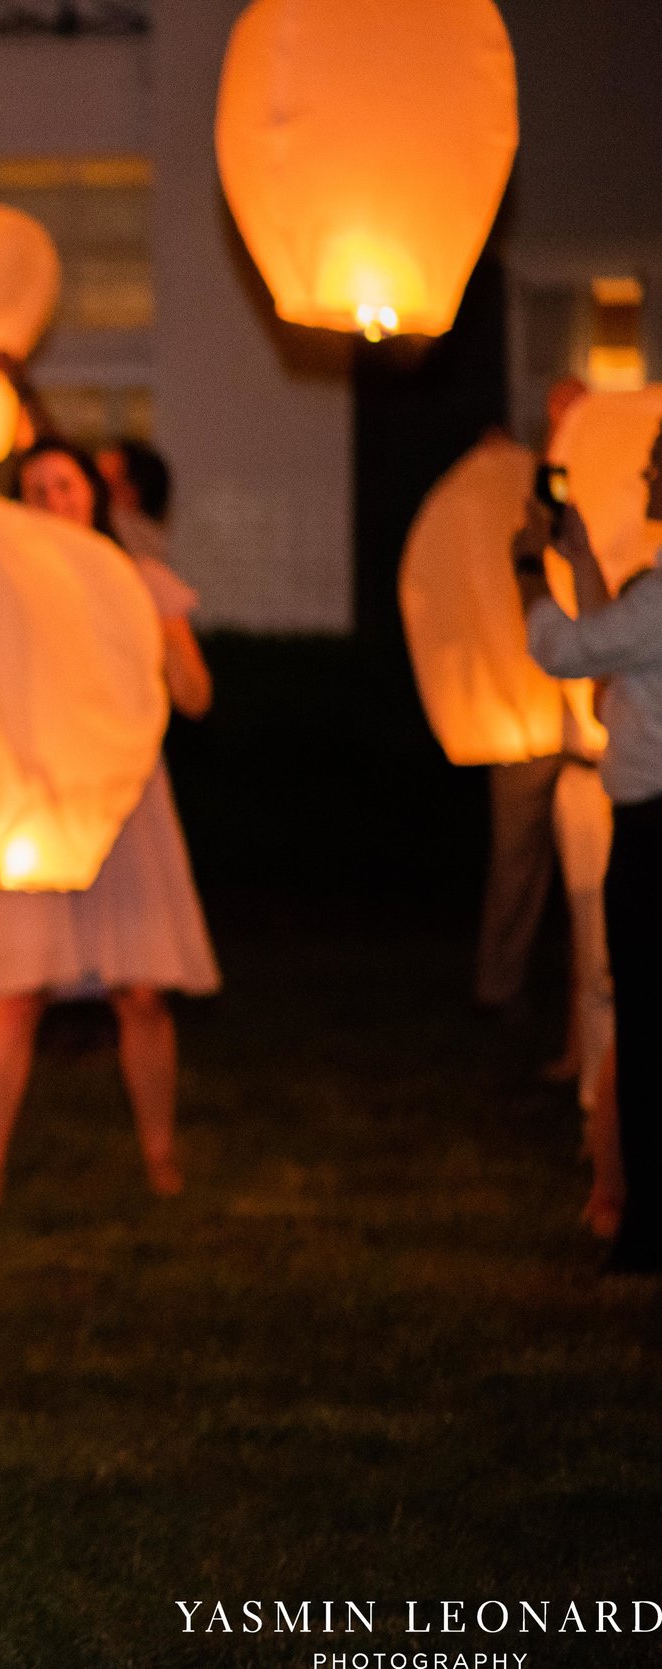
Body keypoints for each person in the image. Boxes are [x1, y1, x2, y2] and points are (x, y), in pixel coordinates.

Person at [0, 439, 219, 1207]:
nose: (52, 500)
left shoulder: (137, 580)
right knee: (18, 992)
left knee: (140, 991)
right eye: (35, 488)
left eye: (65, 485)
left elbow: (197, 696)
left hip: (123, 805)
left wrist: (162, 640)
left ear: (92, 497)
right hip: (32, 805)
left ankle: (161, 1154)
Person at [520, 414, 662, 1274]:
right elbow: (622, 668)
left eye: (655, 466)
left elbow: (569, 651)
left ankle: (644, 1226)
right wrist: (577, 560)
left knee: (644, 1026)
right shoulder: (650, 602)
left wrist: (525, 574)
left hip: (653, 837)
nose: (646, 480)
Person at [478, 378, 592, 1019]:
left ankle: (585, 1014)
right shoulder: (548, 488)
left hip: (590, 710)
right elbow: (541, 524)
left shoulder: (604, 485)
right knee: (519, 856)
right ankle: (504, 985)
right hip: (529, 704)